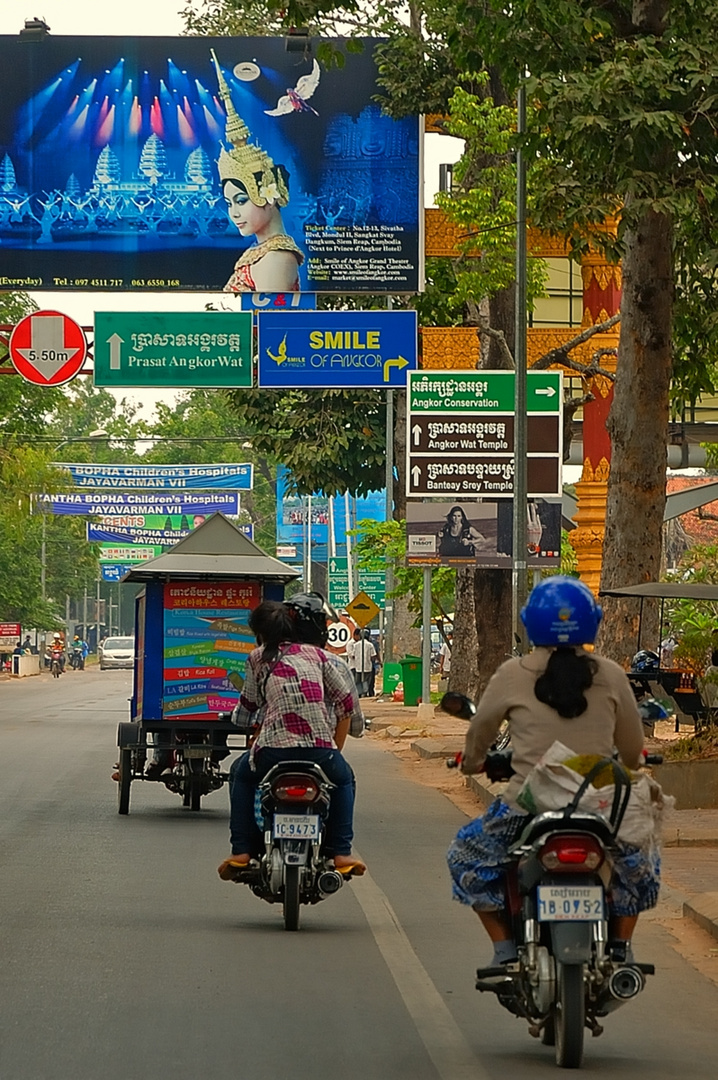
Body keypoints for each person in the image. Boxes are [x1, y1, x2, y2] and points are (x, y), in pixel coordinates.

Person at [447, 576, 654, 968]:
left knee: (464, 857)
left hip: (529, 805)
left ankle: (504, 951)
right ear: (592, 621)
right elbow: (631, 751)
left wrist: (474, 763)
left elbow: (481, 732)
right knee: (639, 862)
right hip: (601, 807)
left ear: (530, 623)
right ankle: (622, 950)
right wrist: (632, 763)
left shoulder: (511, 673)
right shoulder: (610, 674)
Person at [218, 594, 366, 880]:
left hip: (272, 751)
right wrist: (334, 747)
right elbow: (346, 703)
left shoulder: (257, 658)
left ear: (259, 634)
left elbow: (248, 707)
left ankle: (241, 850)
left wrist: (240, 720)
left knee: (240, 774)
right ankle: (342, 852)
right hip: (320, 752)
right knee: (344, 779)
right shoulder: (321, 657)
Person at [211, 50, 304, 294]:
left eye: (241, 200)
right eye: (230, 203)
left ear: (268, 194)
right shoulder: (261, 253)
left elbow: (270, 329)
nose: (234, 213)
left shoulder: (277, 257)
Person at [346, 627, 376, 698]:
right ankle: (364, 693)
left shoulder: (355, 645)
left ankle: (359, 694)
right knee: (366, 681)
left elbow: (353, 655)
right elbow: (373, 656)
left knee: (358, 681)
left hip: (358, 667)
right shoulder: (370, 645)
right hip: (367, 667)